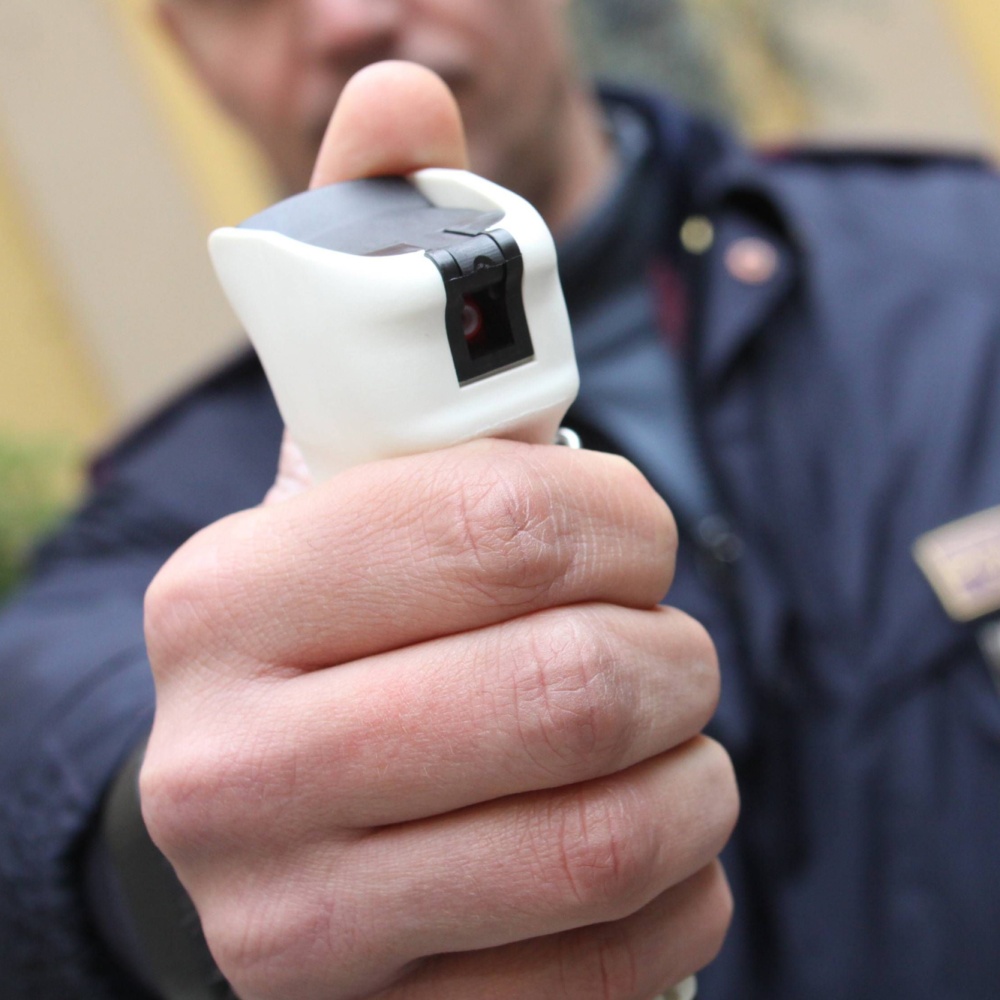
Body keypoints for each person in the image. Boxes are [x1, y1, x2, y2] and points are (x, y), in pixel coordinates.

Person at [3, 1, 1000, 998]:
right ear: (189, 53)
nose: (350, 16)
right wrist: (175, 854)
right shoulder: (163, 511)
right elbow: (55, 740)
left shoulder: (966, 257)